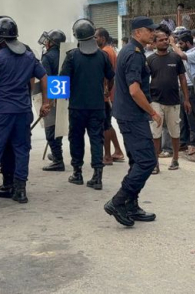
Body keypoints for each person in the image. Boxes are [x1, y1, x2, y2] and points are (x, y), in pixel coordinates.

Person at [0, 16, 49, 209]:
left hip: (2, 113)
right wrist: (46, 103)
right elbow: (44, 76)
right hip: (23, 111)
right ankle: (20, 191)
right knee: (22, 151)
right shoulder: (30, 56)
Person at [104, 17, 161, 227]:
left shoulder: (130, 51)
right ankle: (119, 201)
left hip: (127, 114)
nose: (153, 34)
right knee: (146, 161)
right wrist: (153, 113)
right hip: (133, 116)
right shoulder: (134, 55)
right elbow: (134, 90)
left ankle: (131, 204)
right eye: (149, 30)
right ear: (138, 32)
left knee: (137, 160)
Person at [60, 19, 115, 189]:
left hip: (77, 107)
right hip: (97, 106)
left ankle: (77, 173)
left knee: (76, 139)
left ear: (77, 36)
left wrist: (56, 101)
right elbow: (110, 77)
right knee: (96, 140)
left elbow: (62, 81)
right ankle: (97, 177)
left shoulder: (72, 56)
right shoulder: (103, 56)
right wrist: (107, 90)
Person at [148, 28, 191, 173]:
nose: (165, 41)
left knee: (175, 132)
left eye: (166, 39)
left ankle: (175, 159)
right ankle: (155, 163)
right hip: (155, 101)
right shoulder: (150, 60)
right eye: (161, 40)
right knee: (156, 132)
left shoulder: (175, 58)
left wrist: (186, 99)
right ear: (154, 43)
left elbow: (182, 79)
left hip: (173, 101)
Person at [39, 29, 67, 172]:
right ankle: (57, 154)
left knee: (51, 128)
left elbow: (47, 81)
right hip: (65, 95)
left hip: (52, 94)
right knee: (59, 127)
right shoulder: (67, 54)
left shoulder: (47, 57)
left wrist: (47, 103)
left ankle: (58, 160)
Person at [96, 27, 125, 165]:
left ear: (102, 38)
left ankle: (107, 156)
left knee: (105, 125)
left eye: (96, 37)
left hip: (105, 94)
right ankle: (118, 151)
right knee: (108, 124)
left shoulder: (105, 52)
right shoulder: (110, 50)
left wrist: (105, 91)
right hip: (109, 93)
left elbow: (106, 75)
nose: (94, 40)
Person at [172, 32, 195, 156]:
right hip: (184, 87)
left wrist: (172, 44)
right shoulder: (189, 52)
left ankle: (193, 143)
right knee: (183, 116)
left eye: (181, 43)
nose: (179, 46)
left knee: (190, 115)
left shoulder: (194, 53)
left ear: (188, 43)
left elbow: (180, 54)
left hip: (191, 88)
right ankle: (184, 141)